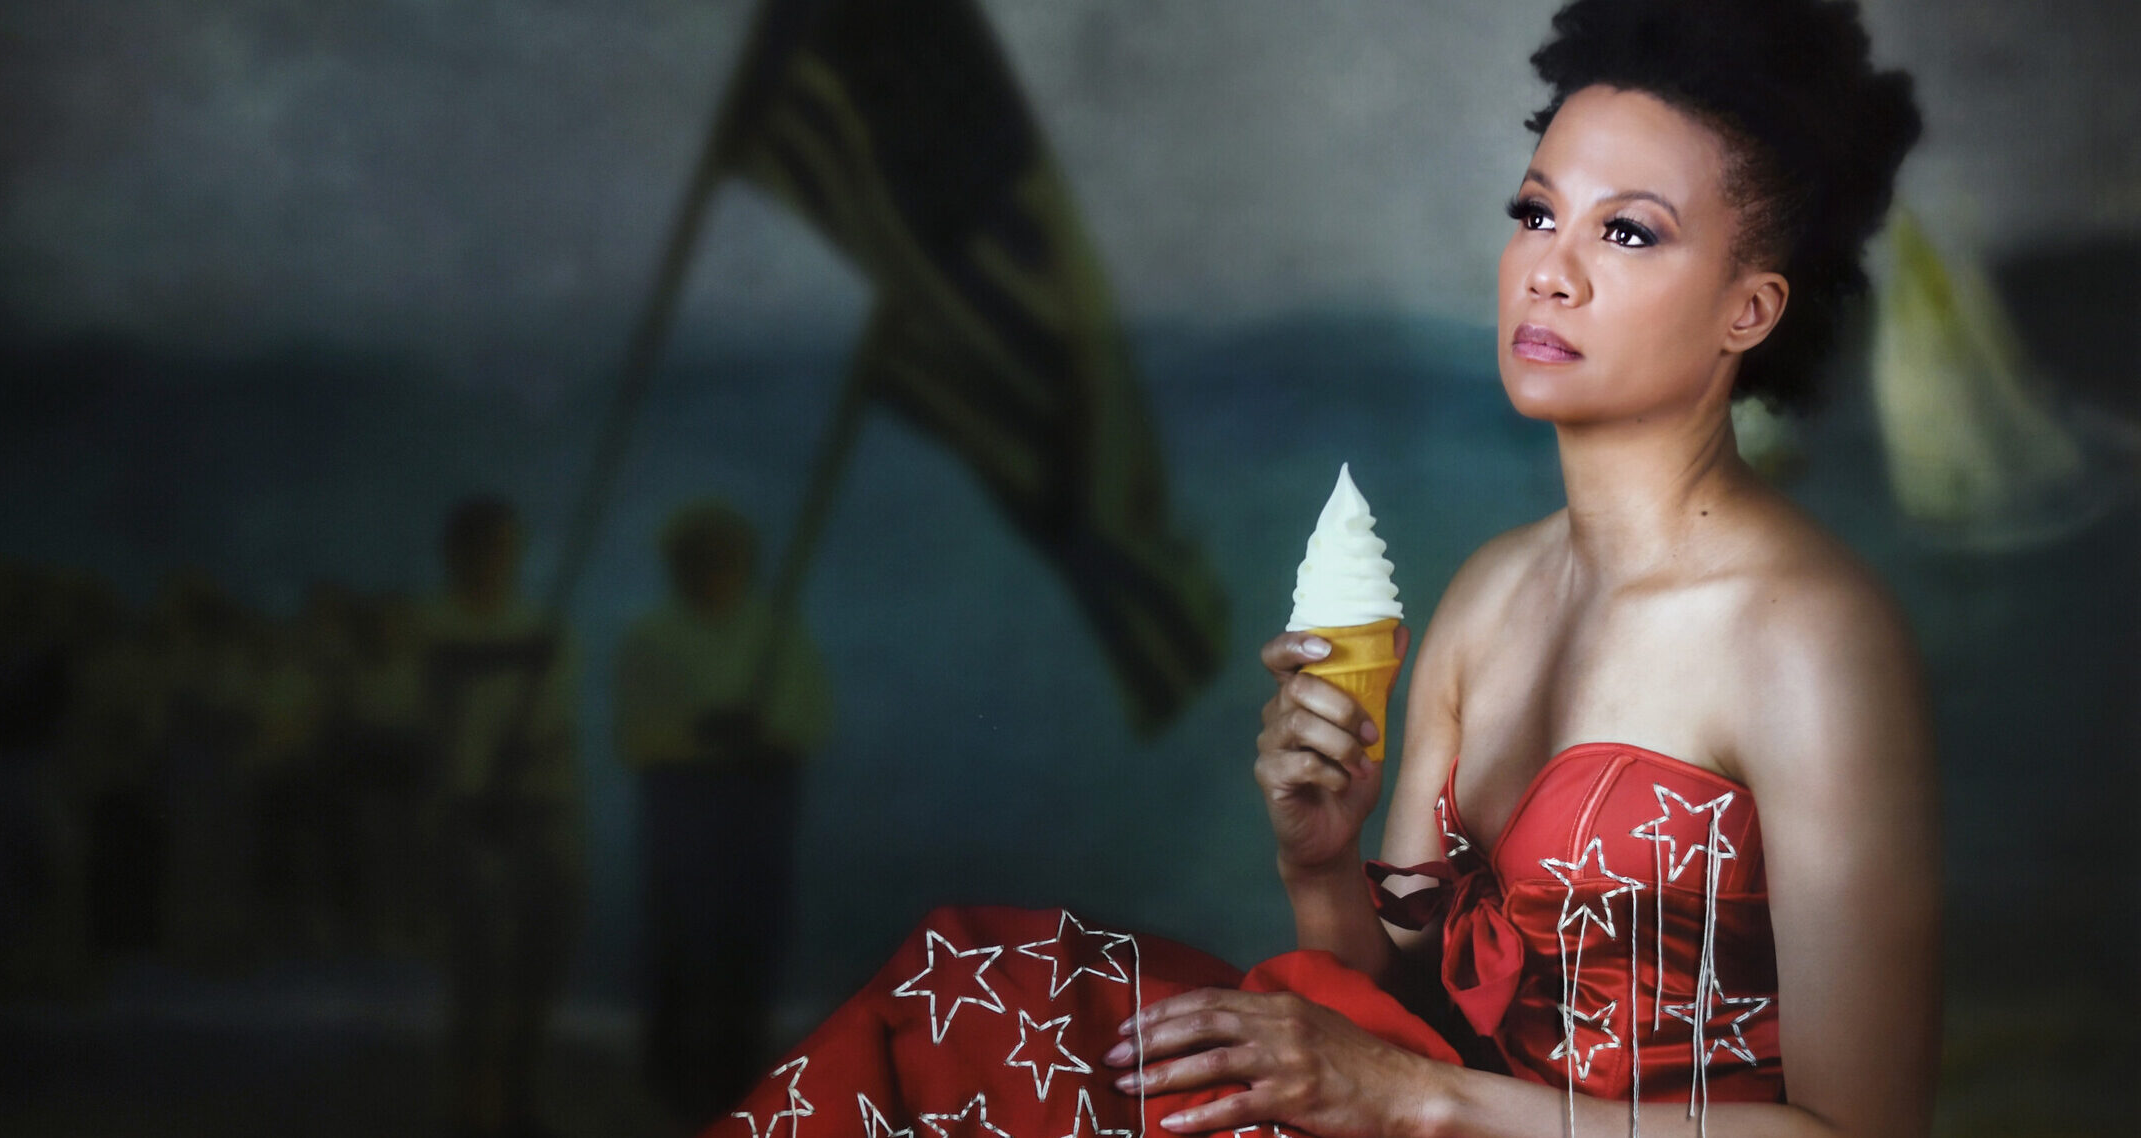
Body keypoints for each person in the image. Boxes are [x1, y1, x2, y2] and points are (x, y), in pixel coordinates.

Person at [698, 1, 1936, 1136]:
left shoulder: (1808, 639)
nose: (1548, 268)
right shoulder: (1488, 596)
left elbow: (1858, 1132)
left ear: (1749, 311)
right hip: (1425, 1116)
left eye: (1626, 231)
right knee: (964, 992)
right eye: (1533, 210)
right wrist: (1319, 859)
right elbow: (1388, 1010)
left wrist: (1427, 1101)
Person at [617, 499, 833, 1121]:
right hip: (682, 812)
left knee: (750, 947)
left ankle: (739, 1081)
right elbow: (636, 737)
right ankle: (674, 1081)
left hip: (757, 813)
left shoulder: (778, 635)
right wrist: (701, 737)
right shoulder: (650, 638)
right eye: (700, 559)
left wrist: (763, 734)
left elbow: (811, 721)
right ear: (677, 566)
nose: (713, 571)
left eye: (725, 559)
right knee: (680, 946)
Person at [412, 496, 582, 1138]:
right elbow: (424, 716)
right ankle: (473, 1104)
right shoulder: (430, 629)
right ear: (456, 556)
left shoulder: (545, 627)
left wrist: (525, 756)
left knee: (542, 956)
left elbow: (555, 720)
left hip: (540, 809)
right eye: (482, 549)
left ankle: (520, 1093)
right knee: (478, 968)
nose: (493, 563)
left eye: (503, 549)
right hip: (465, 815)